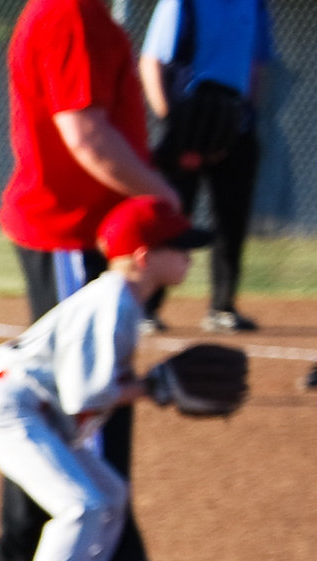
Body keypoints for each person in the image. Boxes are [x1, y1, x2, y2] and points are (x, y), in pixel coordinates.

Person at [0, 0, 196, 561]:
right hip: (75, 229)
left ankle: (20, 557)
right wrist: (161, 198)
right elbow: (83, 131)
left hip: (83, 228)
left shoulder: (92, 16)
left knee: (54, 402)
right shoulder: (71, 13)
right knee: (87, 398)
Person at [0, 196, 212, 561]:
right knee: (81, 504)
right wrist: (152, 387)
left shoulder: (123, 299)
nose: (189, 255)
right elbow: (86, 396)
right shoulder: (112, 301)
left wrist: (150, 386)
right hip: (12, 409)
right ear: (143, 256)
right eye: (178, 246)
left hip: (33, 410)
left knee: (109, 493)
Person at [138, 0, 276, 332]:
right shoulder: (182, 2)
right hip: (187, 118)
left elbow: (256, 65)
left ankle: (222, 306)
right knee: (170, 212)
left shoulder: (254, 5)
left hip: (234, 124)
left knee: (233, 217)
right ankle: (146, 305)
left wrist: (244, 121)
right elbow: (152, 61)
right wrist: (172, 123)